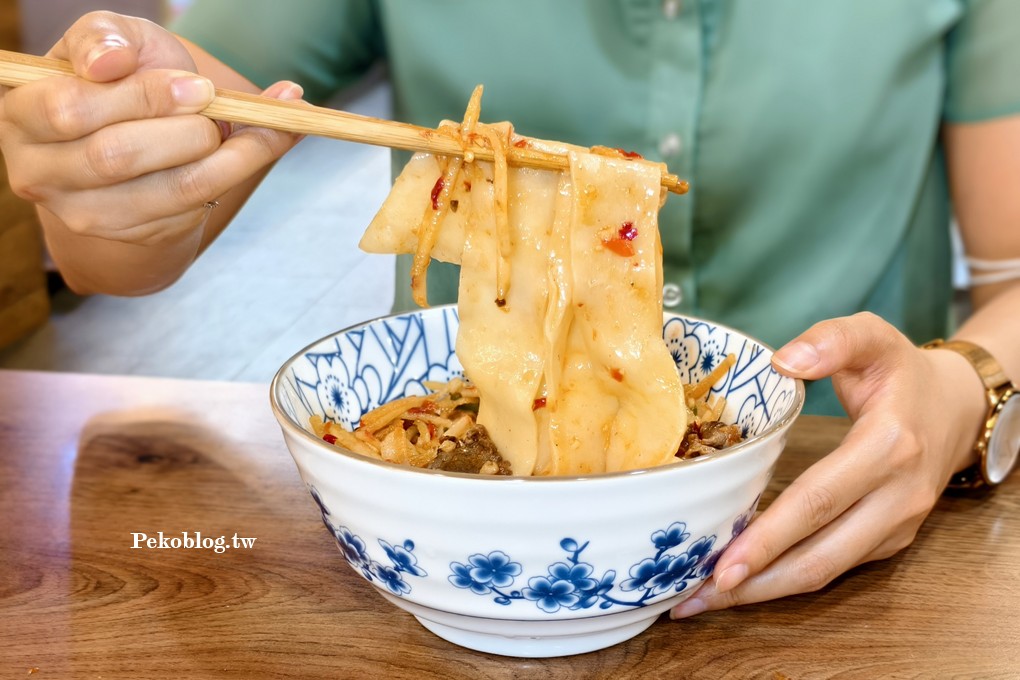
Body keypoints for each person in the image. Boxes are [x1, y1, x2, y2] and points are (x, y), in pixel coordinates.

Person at [1, 1, 1018, 620]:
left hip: (838, 524)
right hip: (454, 518)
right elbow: (110, 246)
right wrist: (107, 165)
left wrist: (963, 385)